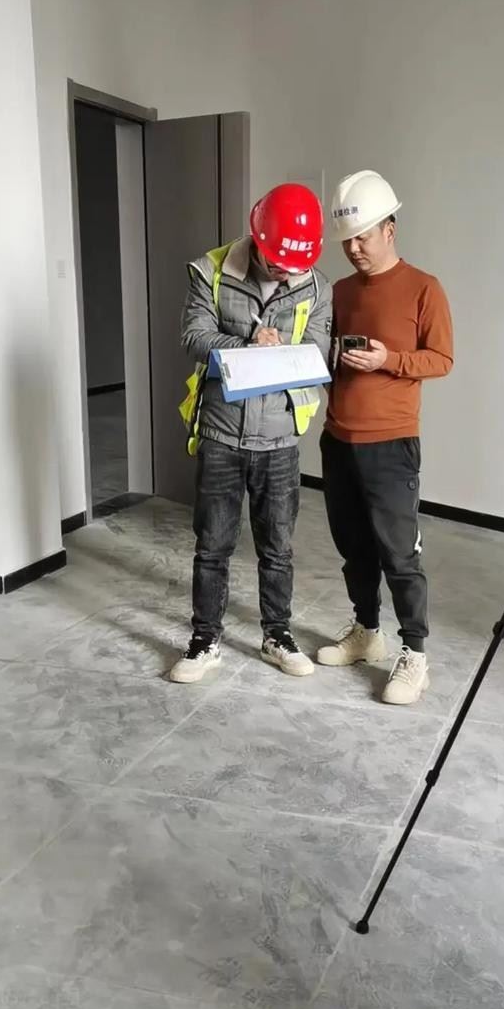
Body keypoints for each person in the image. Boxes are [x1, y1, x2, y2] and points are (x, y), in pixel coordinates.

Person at [170, 184, 332, 684]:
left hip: (280, 439)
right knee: (212, 546)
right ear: (257, 238)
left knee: (277, 549)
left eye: (294, 265)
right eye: (277, 262)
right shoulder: (212, 271)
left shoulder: (315, 286)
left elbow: (317, 353)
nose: (285, 272)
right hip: (221, 433)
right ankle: (205, 640)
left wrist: (280, 353)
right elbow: (193, 336)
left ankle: (277, 635)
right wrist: (247, 344)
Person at [317, 171, 453, 705]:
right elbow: (326, 354)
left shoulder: (424, 288)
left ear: (389, 229)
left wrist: (388, 360)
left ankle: (414, 655)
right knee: (354, 549)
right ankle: (367, 632)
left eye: (363, 237)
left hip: (391, 443)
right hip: (338, 439)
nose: (353, 249)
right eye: (347, 241)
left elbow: (441, 359)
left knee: (399, 555)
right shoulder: (340, 291)